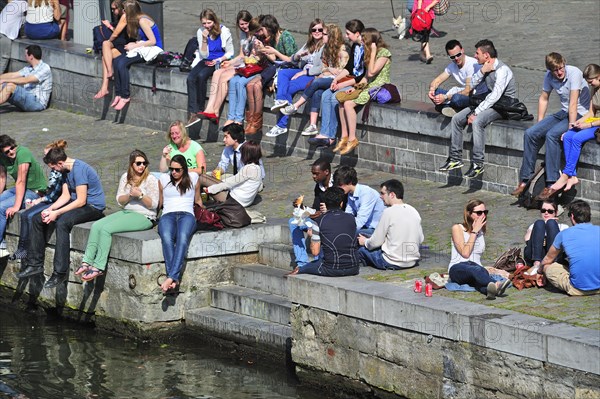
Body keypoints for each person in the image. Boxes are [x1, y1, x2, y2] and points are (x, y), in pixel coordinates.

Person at [15, 145, 106, 289]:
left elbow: (81, 200)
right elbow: (66, 196)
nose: (54, 171)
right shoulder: (65, 170)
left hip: (92, 207)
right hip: (78, 203)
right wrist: (50, 209)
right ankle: (35, 264)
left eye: (54, 168)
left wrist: (57, 213)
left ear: (60, 163)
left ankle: (59, 272)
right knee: (37, 218)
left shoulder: (79, 169)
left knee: (62, 222)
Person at [512, 53, 590, 199]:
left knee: (552, 135)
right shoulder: (549, 76)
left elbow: (573, 104)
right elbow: (543, 98)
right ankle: (525, 180)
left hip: (579, 114)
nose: (559, 72)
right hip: (564, 112)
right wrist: (540, 123)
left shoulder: (574, 73)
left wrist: (570, 130)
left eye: (561, 68)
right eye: (555, 70)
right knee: (530, 133)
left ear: (564, 63)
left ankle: (551, 182)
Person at [439, 39, 518, 178]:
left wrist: (476, 112)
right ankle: (455, 158)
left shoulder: (502, 70)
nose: (475, 56)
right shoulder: (484, 67)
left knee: (477, 121)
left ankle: (477, 163)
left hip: (503, 106)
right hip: (488, 103)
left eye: (477, 53)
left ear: (486, 55)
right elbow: (471, 85)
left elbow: (495, 96)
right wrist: (482, 71)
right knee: (457, 119)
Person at [76, 150, 159, 282]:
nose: (142, 166)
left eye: (144, 163)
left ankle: (98, 267)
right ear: (132, 164)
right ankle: (87, 261)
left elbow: (154, 205)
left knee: (106, 229)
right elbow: (120, 201)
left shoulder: (151, 179)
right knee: (97, 225)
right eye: (138, 163)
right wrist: (130, 196)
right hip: (126, 212)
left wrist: (141, 196)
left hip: (144, 216)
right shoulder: (125, 177)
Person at [282, 23, 349, 141]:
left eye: (324, 34)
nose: (322, 36)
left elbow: (342, 72)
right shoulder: (327, 49)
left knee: (316, 83)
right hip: (328, 78)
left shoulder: (343, 51)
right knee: (318, 93)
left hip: (339, 81)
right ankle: (313, 126)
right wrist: (329, 70)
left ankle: (296, 105)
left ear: (331, 36)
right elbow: (324, 68)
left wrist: (329, 71)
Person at [334, 28, 391, 155]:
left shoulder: (383, 53)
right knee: (342, 100)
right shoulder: (369, 52)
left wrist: (373, 51)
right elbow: (365, 77)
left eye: (364, 40)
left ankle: (352, 138)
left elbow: (371, 72)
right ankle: (344, 136)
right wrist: (355, 88)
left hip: (379, 86)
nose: (362, 43)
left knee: (349, 104)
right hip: (369, 84)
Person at [8, 140, 67, 261]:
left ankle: (28, 251)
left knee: (31, 216)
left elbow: (54, 195)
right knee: (25, 215)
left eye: (46, 155)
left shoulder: (59, 171)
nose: (44, 158)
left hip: (56, 202)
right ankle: (22, 249)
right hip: (50, 199)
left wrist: (40, 200)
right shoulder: (54, 170)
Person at [265, 19, 326, 137]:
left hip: (313, 74)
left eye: (320, 30)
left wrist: (305, 73)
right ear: (310, 31)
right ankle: (281, 100)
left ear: (324, 31)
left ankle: (281, 125)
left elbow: (321, 68)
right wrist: (298, 55)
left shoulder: (325, 45)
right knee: (283, 73)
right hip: (302, 70)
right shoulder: (309, 44)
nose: (317, 32)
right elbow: (292, 59)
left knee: (290, 88)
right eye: (314, 30)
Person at [546, 64, 600, 195]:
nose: (589, 85)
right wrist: (577, 123)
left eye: (591, 82)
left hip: (597, 125)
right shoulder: (594, 88)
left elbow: (593, 120)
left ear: (598, 76)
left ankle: (566, 175)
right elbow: (590, 113)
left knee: (576, 138)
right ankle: (573, 176)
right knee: (568, 135)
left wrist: (588, 125)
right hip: (593, 121)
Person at [197, 11, 255, 126]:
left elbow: (250, 58)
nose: (244, 27)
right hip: (243, 63)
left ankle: (216, 111)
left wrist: (234, 64)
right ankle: (209, 109)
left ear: (251, 22)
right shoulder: (244, 35)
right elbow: (241, 55)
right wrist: (230, 62)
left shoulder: (255, 35)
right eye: (241, 25)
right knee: (217, 72)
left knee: (223, 76)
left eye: (246, 23)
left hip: (250, 65)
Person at [287, 187, 360, 277]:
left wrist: (312, 236)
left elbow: (315, 252)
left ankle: (299, 268)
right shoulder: (351, 218)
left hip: (330, 269)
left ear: (325, 204)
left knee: (303, 269)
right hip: (354, 268)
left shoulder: (319, 222)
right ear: (341, 204)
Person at [244, 14, 297, 134]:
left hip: (288, 68)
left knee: (257, 86)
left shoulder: (286, 37)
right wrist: (263, 49)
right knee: (250, 85)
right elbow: (273, 58)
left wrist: (274, 51)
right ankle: (251, 119)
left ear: (269, 27)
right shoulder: (272, 38)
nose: (261, 32)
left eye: (262, 29)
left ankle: (257, 122)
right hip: (276, 66)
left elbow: (292, 60)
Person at [448, 199, 510, 299]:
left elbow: (476, 259)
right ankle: (496, 284)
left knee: (478, 280)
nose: (483, 215)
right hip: (458, 268)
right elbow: (465, 253)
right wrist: (474, 231)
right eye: (479, 213)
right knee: (475, 270)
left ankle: (490, 291)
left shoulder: (481, 231)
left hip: (476, 268)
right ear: (469, 214)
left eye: (485, 212)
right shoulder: (458, 228)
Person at [318, 19, 366, 147]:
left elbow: (361, 75)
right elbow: (349, 67)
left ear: (357, 33)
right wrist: (336, 79)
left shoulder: (365, 48)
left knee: (335, 97)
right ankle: (324, 133)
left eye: (348, 33)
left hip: (359, 83)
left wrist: (342, 84)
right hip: (348, 79)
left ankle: (333, 136)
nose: (346, 36)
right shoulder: (355, 46)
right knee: (325, 95)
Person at [158, 154, 202, 293]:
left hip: (187, 214)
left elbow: (198, 199)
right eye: (171, 169)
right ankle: (174, 278)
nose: (174, 172)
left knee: (183, 238)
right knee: (166, 238)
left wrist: (205, 213)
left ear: (184, 169)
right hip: (167, 214)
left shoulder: (194, 178)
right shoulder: (164, 179)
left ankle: (171, 277)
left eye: (177, 170)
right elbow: (160, 202)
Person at [357, 179, 424, 269]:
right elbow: (421, 238)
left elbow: (375, 242)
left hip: (392, 261)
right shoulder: (413, 210)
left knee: (361, 250)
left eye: (382, 193)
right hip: (412, 260)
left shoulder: (388, 212)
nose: (380, 197)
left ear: (392, 195)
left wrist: (364, 242)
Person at [538, 200, 600, 296]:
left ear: (572, 216)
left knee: (547, 266)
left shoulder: (564, 234)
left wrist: (540, 271)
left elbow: (548, 259)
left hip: (577, 288)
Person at [185, 9, 234, 128]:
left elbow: (230, 53)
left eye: (209, 23)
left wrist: (218, 60)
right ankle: (193, 112)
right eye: (204, 23)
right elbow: (204, 55)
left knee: (202, 76)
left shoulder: (224, 31)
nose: (207, 26)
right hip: (206, 59)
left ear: (214, 21)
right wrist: (204, 40)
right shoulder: (201, 32)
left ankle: (201, 108)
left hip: (218, 61)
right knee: (190, 78)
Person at [110, 0, 163, 111]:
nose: (123, 12)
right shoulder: (137, 19)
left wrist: (134, 46)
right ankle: (118, 93)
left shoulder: (143, 20)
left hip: (152, 50)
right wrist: (134, 44)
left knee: (122, 63)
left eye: (124, 10)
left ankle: (125, 96)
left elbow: (153, 41)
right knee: (116, 61)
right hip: (143, 47)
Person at [0, 135, 47, 258]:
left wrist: (16, 206)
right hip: (20, 189)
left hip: (34, 191)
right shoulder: (2, 157)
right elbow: (2, 178)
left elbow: (21, 180)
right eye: (7, 151)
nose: (11, 152)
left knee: (2, 207)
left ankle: (1, 246)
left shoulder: (23, 153)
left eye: (12, 148)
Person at [198, 123, 265, 201]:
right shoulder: (228, 148)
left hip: (245, 181)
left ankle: (205, 198)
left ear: (235, 138)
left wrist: (215, 187)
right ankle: (204, 197)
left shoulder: (249, 149)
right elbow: (223, 165)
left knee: (208, 180)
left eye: (226, 137)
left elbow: (260, 174)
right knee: (208, 175)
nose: (224, 140)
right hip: (236, 177)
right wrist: (218, 171)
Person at [288, 158, 333, 269]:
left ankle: (319, 262)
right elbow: (315, 209)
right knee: (293, 222)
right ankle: (301, 262)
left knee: (317, 227)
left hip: (331, 220)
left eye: (316, 174)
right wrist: (302, 207)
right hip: (318, 219)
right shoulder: (318, 186)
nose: (314, 176)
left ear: (326, 172)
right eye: (312, 174)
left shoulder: (337, 184)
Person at [428, 39, 486, 117]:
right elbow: (437, 81)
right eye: (452, 57)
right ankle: (451, 108)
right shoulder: (452, 66)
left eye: (458, 55)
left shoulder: (471, 65)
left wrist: (445, 97)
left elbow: (467, 91)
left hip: (473, 97)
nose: (456, 58)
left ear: (462, 50)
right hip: (459, 94)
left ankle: (448, 107)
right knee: (435, 92)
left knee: (456, 98)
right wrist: (432, 90)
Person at [205, 140, 263, 208]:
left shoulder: (248, 169)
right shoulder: (257, 167)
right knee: (214, 181)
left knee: (203, 178)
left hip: (235, 200)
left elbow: (229, 183)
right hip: (244, 200)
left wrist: (210, 189)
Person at [93, 0, 129, 100]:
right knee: (106, 51)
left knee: (106, 49)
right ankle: (105, 84)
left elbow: (117, 33)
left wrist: (109, 26)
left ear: (121, 8)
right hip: (119, 43)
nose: (113, 11)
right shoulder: (119, 16)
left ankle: (106, 83)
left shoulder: (125, 16)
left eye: (114, 9)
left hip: (126, 44)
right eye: (111, 9)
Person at [333, 165, 384, 235]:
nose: (338, 188)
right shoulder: (350, 194)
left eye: (340, 185)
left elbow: (360, 221)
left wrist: (343, 229)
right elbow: (348, 214)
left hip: (374, 229)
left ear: (350, 182)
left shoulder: (366, 193)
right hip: (364, 227)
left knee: (343, 234)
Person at [0, 44, 52, 111]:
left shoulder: (45, 68)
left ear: (31, 56)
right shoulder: (28, 68)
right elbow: (13, 75)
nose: (25, 56)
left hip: (37, 103)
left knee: (10, 86)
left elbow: (26, 80)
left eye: (26, 55)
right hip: (27, 98)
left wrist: (4, 80)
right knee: (3, 85)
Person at [522, 200, 568, 275]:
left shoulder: (563, 227)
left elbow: (565, 244)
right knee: (539, 223)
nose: (546, 213)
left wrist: (550, 224)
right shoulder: (536, 225)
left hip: (554, 256)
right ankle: (536, 264)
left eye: (550, 211)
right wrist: (544, 224)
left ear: (556, 213)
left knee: (551, 224)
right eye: (543, 210)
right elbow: (527, 239)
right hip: (536, 255)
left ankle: (551, 264)